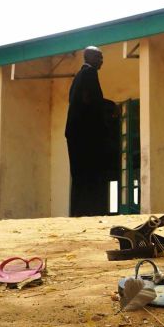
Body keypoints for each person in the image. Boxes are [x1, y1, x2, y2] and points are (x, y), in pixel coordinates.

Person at [65, 46, 113, 216]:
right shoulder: (89, 74)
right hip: (85, 134)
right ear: (89, 57)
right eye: (99, 57)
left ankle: (79, 210)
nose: (102, 61)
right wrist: (109, 107)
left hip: (76, 133)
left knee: (79, 175)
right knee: (90, 173)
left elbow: (79, 100)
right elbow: (90, 101)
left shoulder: (78, 76)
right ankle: (91, 210)